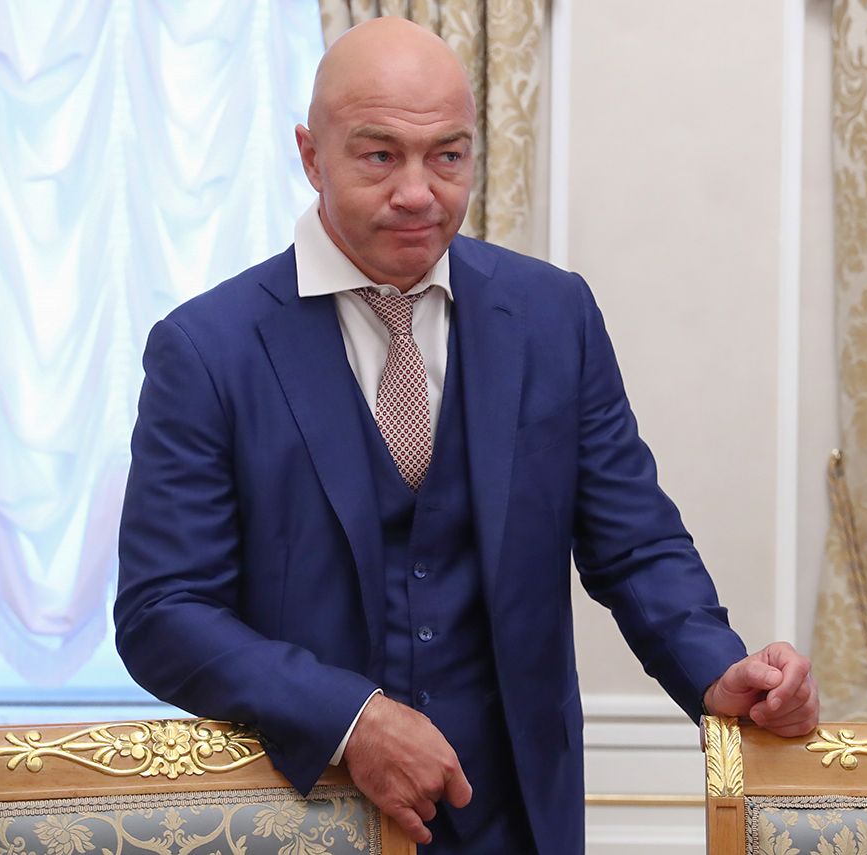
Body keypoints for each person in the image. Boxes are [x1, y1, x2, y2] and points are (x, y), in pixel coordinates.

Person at [115, 16, 818, 855]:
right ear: (311, 156)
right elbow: (163, 611)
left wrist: (718, 668)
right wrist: (351, 718)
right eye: (381, 156)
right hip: (305, 819)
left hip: (516, 816)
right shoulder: (207, 349)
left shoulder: (553, 316)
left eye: (447, 156)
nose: (419, 192)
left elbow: (635, 545)